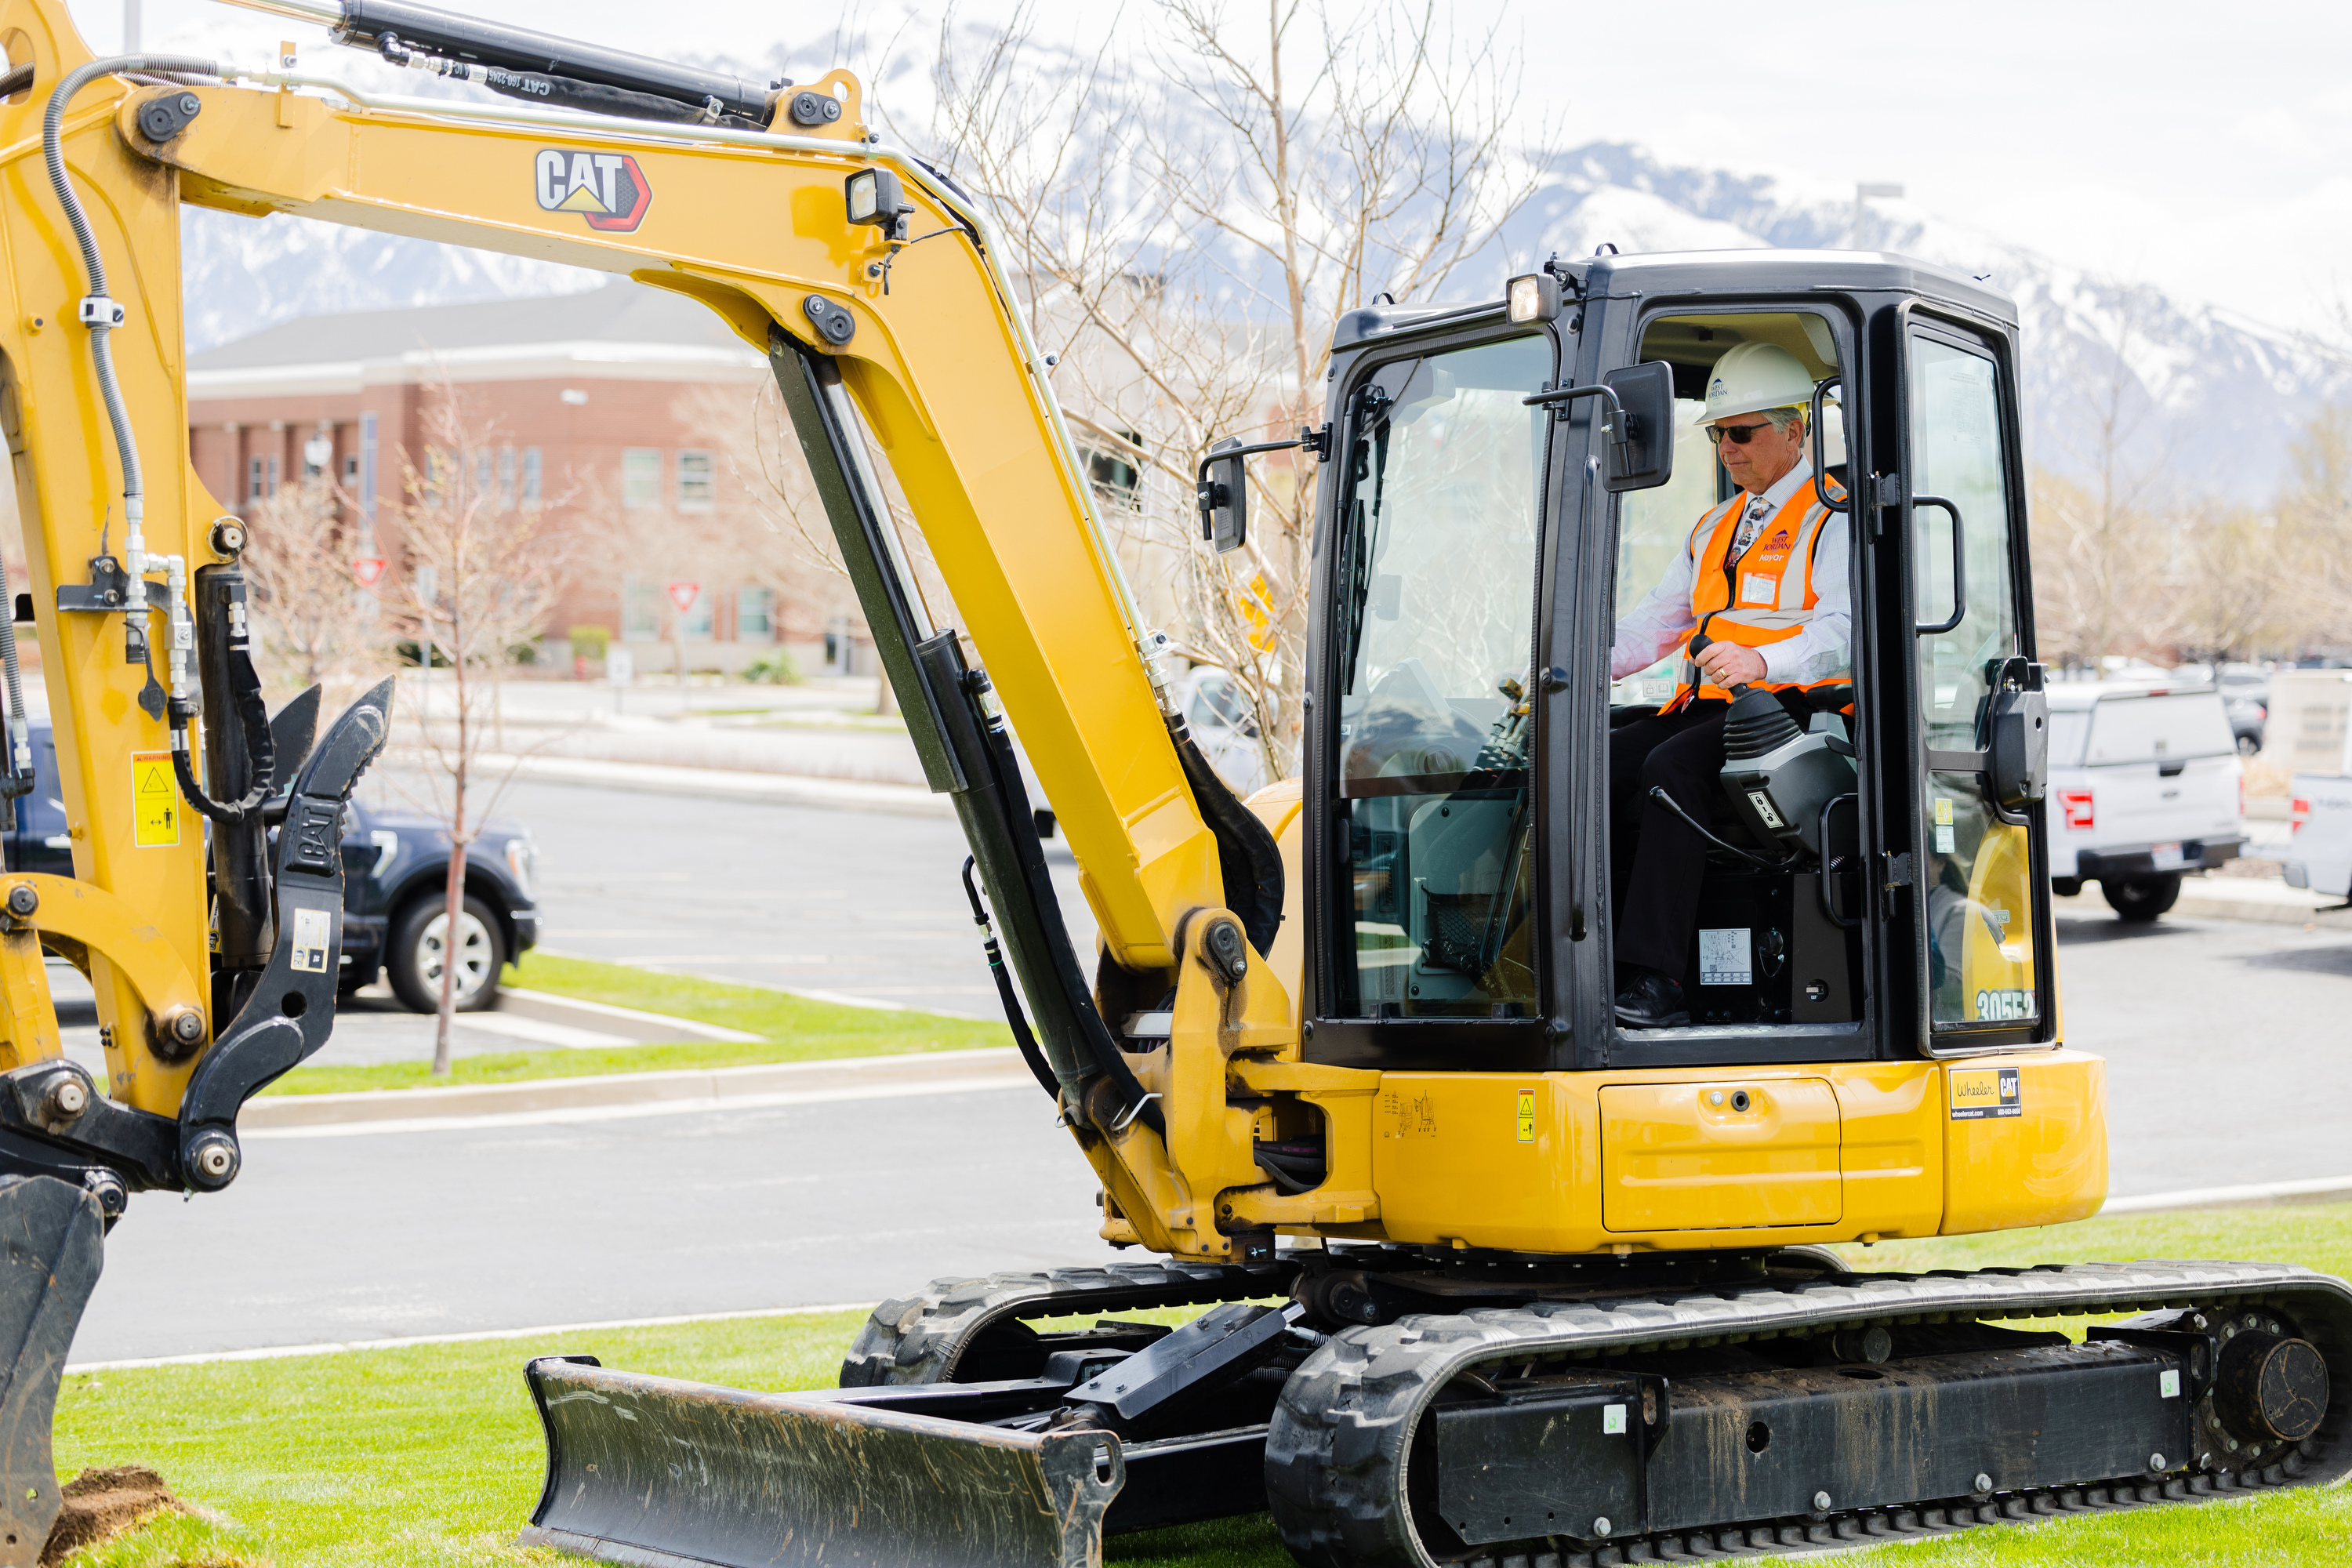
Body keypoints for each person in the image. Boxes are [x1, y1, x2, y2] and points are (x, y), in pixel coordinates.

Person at [1607, 342, 1851, 1027]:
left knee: (1670, 768)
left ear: (1795, 431)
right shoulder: (1716, 525)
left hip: (1797, 711)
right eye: (1719, 433)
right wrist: (1573, 662)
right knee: (1593, 763)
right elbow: (1656, 624)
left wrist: (1764, 664)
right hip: (1716, 707)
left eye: (1741, 432)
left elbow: (1846, 630)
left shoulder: (1830, 516)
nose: (1727, 448)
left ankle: (1658, 980)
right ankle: (1598, 958)